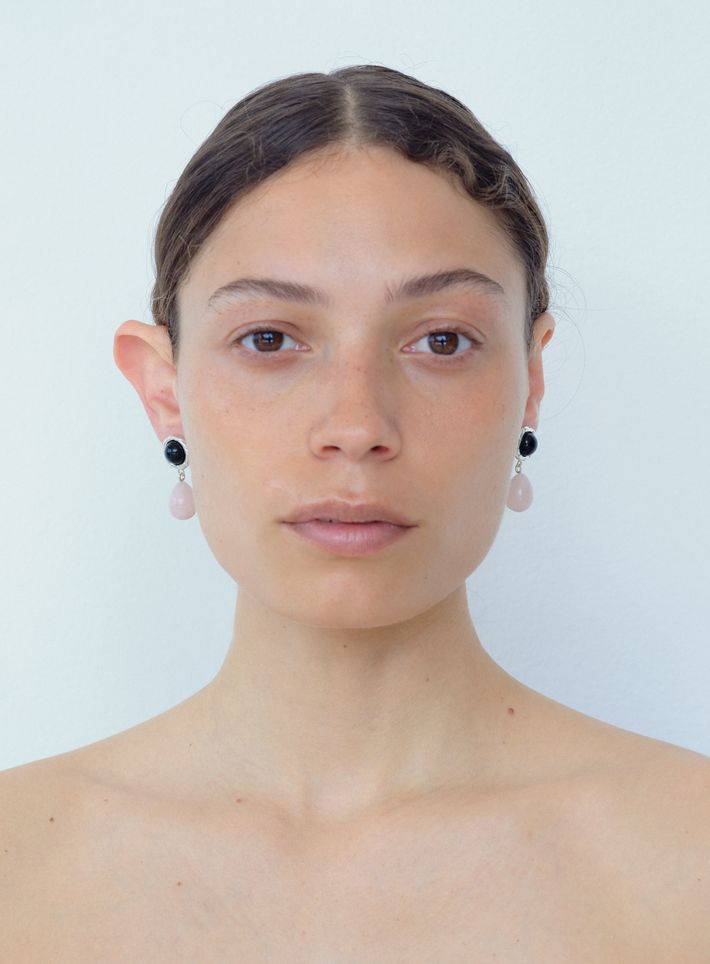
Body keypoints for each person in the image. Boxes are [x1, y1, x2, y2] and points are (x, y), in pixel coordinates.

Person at [3, 65, 709, 960]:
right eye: (269, 339)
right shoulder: (18, 865)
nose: (356, 426)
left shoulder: (689, 861)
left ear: (530, 383)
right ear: (164, 392)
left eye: (441, 341)